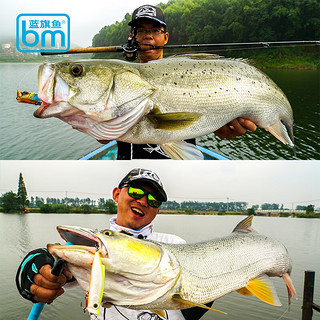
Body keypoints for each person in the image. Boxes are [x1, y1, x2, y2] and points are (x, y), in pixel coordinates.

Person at [16, 168, 212, 320]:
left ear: (157, 209)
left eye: (154, 200)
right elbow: (64, 269)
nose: (144, 201)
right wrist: (39, 266)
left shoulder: (175, 245)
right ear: (117, 194)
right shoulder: (95, 246)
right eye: (136, 192)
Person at [112, 4, 257, 159]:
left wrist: (220, 121)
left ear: (165, 37)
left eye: (155, 30)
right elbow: (102, 136)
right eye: (141, 30)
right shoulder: (119, 82)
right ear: (132, 37)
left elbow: (208, 113)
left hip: (181, 168)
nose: (148, 36)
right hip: (130, 170)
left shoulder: (188, 75)